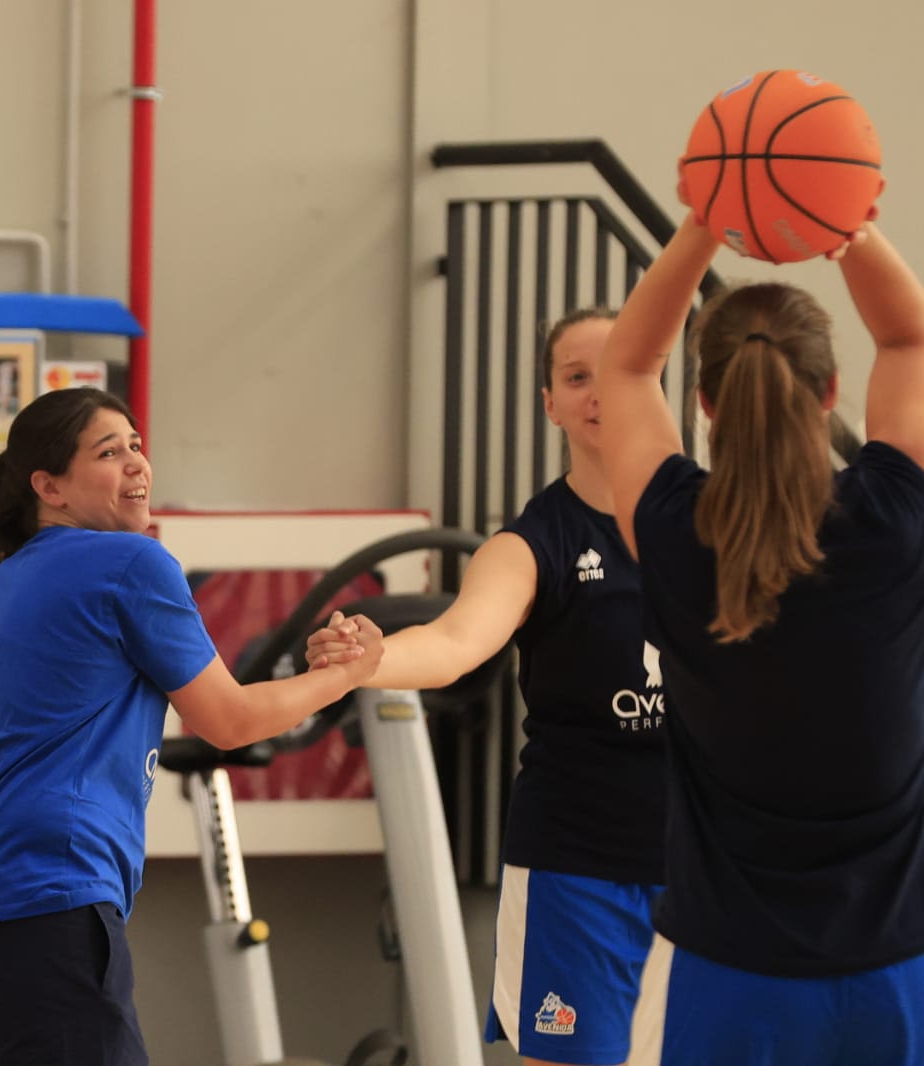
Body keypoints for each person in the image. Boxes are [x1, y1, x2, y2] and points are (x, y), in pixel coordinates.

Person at [0, 386, 386, 1066]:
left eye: (136, 446)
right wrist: (348, 674)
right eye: (108, 451)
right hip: (52, 908)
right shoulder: (131, 563)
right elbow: (230, 718)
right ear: (49, 486)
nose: (136, 464)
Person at [597, 179, 924, 1064]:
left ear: (704, 403)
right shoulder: (896, 523)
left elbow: (624, 368)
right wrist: (846, 224)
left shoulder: (671, 532)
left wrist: (709, 220)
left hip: (728, 971)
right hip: (897, 972)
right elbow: (911, 335)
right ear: (830, 394)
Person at [307, 310, 668, 1066]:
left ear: (652, 376)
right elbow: (454, 641)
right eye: (577, 378)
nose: (599, 393)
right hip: (580, 869)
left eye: (615, 371)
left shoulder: (716, 520)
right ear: (551, 403)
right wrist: (369, 660)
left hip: (711, 865)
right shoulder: (535, 541)